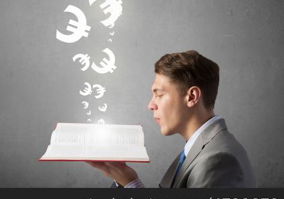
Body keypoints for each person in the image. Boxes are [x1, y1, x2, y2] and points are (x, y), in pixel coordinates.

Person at [87, 50, 255, 187]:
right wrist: (126, 179)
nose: (151, 105)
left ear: (191, 97)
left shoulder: (217, 160)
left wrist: (132, 185)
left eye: (159, 94)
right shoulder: (198, 151)